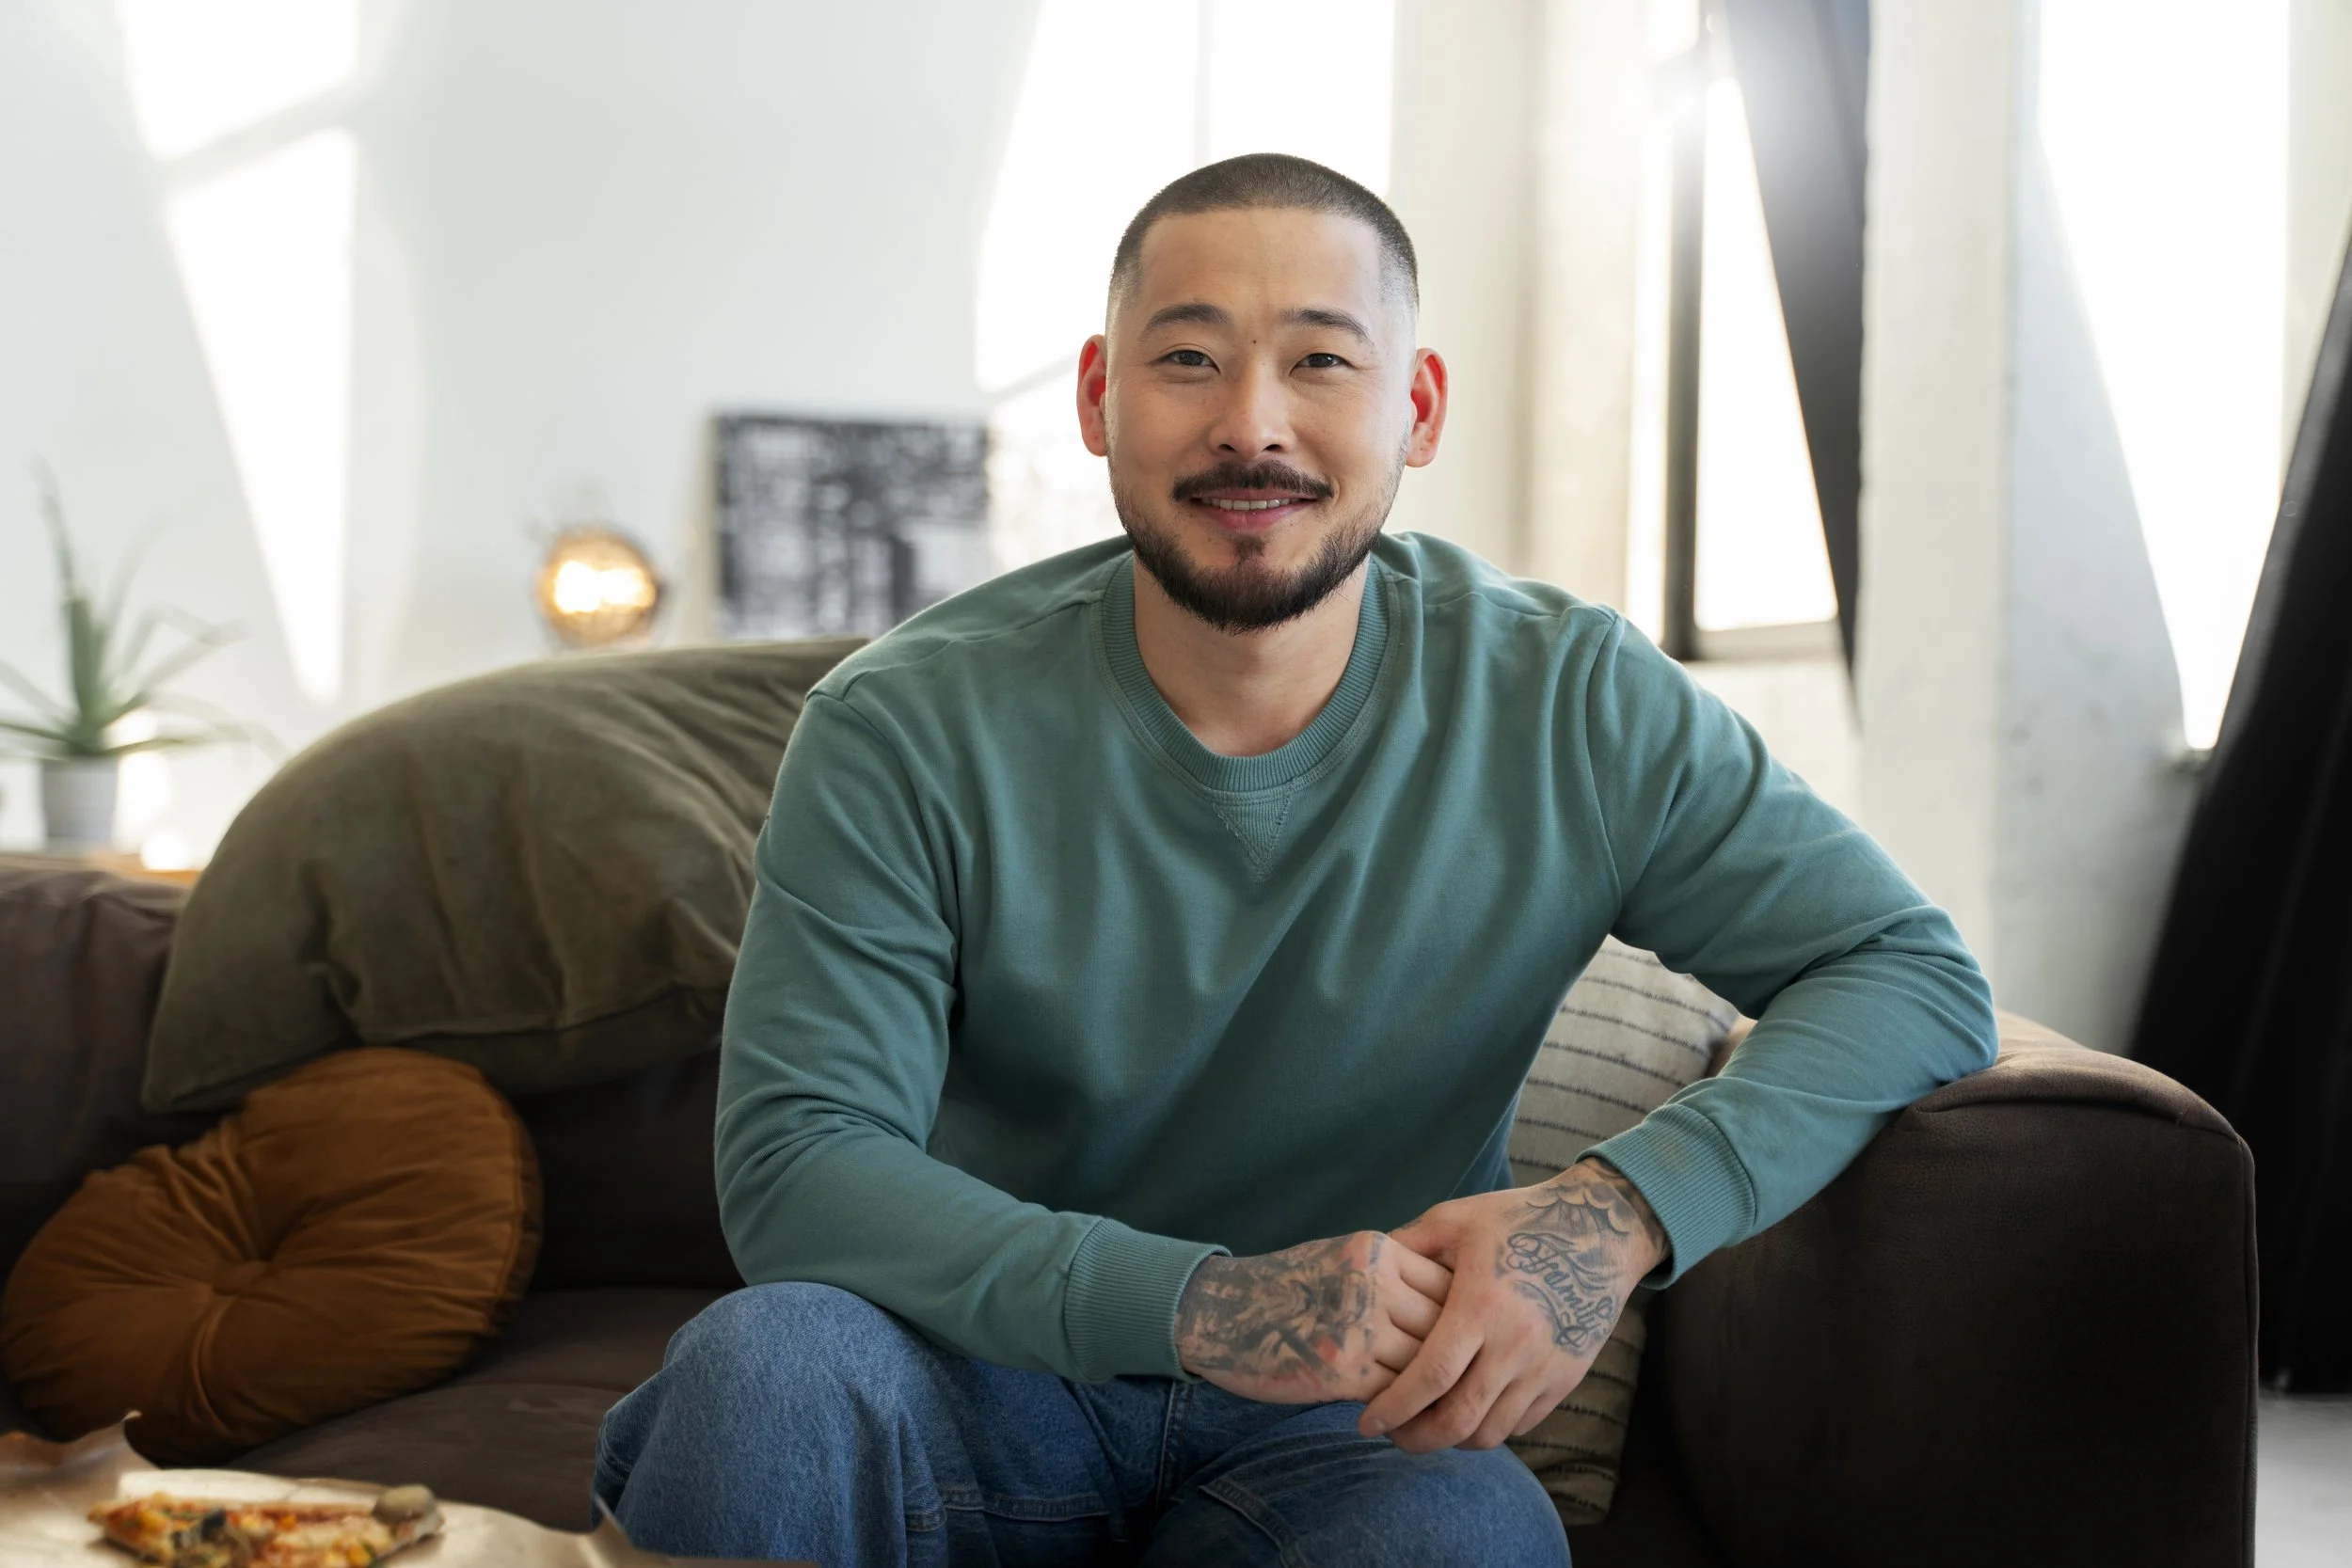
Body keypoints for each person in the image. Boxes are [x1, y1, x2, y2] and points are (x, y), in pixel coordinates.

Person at [593, 152, 1996, 1566]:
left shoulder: (1570, 701)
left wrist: (1614, 1211)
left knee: (1458, 1547)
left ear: (1418, 408)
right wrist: (1205, 1304)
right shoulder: (899, 724)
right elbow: (802, 1163)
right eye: (1188, 359)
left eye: (1322, 360)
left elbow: (1906, 970)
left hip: (1357, 1428)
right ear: (1098, 398)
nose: (1251, 425)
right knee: (762, 1375)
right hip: (972, 1367)